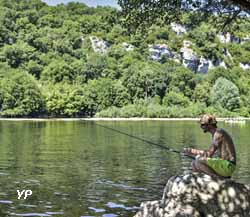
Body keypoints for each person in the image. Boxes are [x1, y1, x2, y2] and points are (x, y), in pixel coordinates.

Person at [183, 114, 236, 178]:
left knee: (197, 162)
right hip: (226, 165)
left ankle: (219, 179)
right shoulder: (217, 132)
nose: (201, 126)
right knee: (194, 163)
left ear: (210, 125)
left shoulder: (218, 134)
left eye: (203, 125)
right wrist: (194, 153)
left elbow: (208, 154)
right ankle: (203, 183)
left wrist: (191, 151)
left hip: (228, 166)